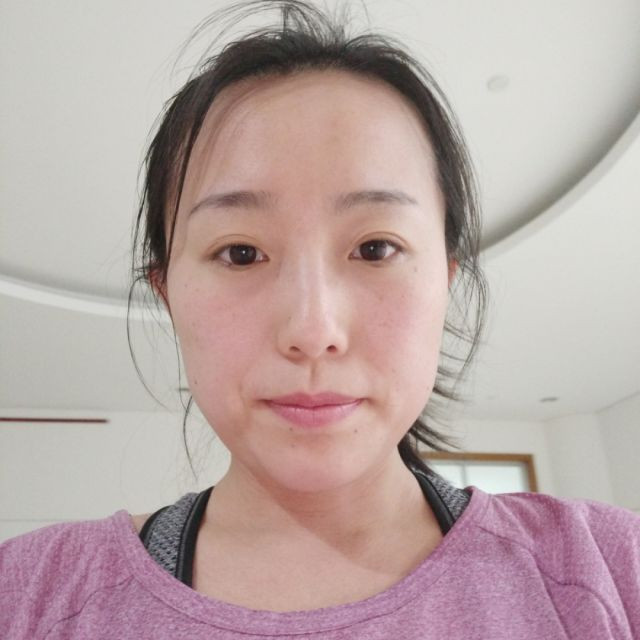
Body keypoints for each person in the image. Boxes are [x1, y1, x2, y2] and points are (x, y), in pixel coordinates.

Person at [1, 1, 639, 638]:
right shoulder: (30, 596)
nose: (313, 331)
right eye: (240, 252)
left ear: (445, 281)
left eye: (376, 248)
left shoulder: (609, 571)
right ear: (168, 294)